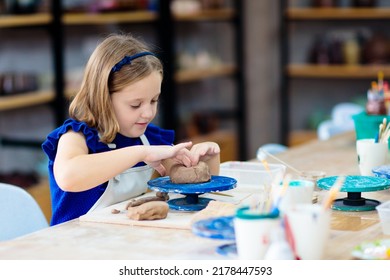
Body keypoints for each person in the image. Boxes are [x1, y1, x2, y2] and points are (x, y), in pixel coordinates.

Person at [42, 33, 220, 226]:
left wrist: (205, 159)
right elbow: (69, 177)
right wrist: (140, 153)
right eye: (136, 105)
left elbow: (193, 189)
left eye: (154, 100)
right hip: (73, 244)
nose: (148, 113)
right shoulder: (77, 136)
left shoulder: (148, 137)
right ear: (103, 97)